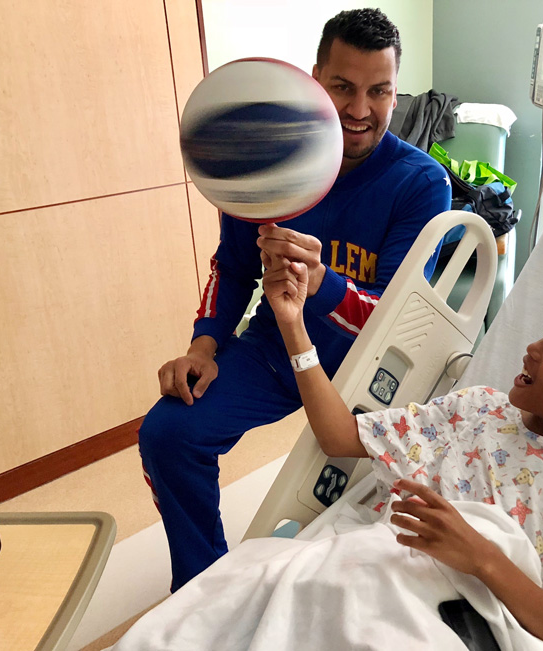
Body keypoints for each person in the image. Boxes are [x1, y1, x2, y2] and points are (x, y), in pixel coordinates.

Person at [139, 8, 452, 592]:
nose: (360, 111)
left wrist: (324, 282)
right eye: (342, 88)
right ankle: (203, 588)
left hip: (363, 367)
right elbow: (230, 268)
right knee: (168, 433)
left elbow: (394, 318)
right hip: (274, 347)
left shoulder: (419, 182)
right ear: (314, 80)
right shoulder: (266, 162)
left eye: (379, 91)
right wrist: (203, 346)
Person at [256, 256, 543, 650]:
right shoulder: (477, 409)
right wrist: (293, 326)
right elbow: (340, 437)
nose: (533, 347)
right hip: (382, 576)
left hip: (476, 627)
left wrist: (482, 558)